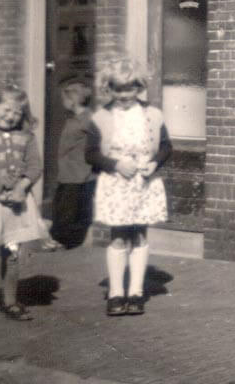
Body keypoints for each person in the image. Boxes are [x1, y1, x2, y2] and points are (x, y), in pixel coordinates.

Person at [86, 58, 172, 317]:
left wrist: (154, 164)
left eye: (130, 88)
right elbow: (90, 154)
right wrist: (114, 164)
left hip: (144, 182)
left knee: (141, 235)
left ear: (139, 88)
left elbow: (167, 147)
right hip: (116, 183)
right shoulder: (101, 118)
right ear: (108, 89)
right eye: (117, 89)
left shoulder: (153, 115)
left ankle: (135, 292)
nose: (124, 95)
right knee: (120, 236)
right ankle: (115, 293)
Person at [0, 82, 45, 321]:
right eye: (6, 109)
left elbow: (35, 166)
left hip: (16, 206)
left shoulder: (26, 137)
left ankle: (10, 301)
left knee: (12, 253)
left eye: (17, 113)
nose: (11, 116)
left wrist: (22, 187)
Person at [49, 77, 97, 249]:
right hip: (68, 172)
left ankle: (66, 240)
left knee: (72, 209)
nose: (63, 103)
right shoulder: (73, 119)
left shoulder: (88, 120)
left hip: (80, 173)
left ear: (72, 101)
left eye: (65, 99)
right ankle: (58, 237)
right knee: (61, 206)